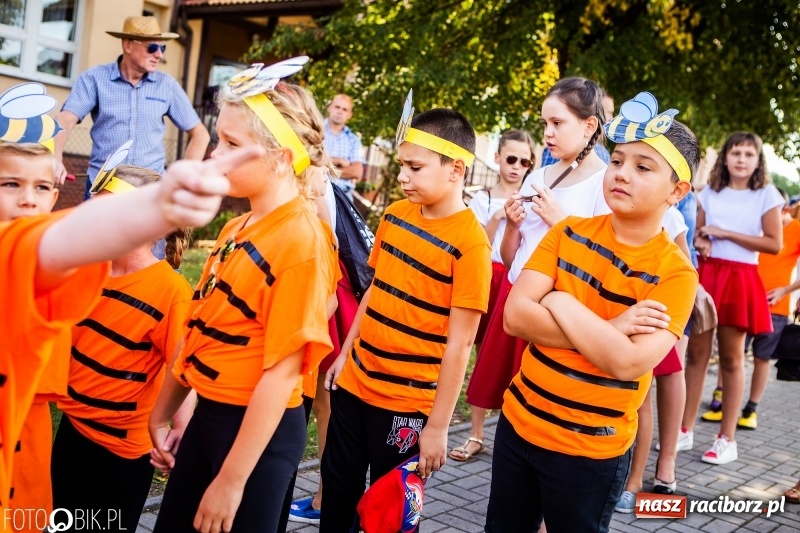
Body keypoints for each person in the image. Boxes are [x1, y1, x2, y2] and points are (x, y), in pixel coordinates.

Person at [0, 136, 260, 521]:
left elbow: (179, 362)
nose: (28, 199)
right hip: (69, 429)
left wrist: (179, 424)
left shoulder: (159, 287)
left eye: (41, 187)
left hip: (117, 448)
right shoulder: (74, 268)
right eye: (11, 184)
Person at [485, 91, 699, 533]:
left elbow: (626, 362)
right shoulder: (568, 233)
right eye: (617, 160)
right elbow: (515, 317)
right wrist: (609, 328)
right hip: (518, 425)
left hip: (591, 451)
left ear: (677, 191)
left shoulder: (675, 275)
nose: (621, 173)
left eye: (643, 167)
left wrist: (559, 301)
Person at [148, 60, 339, 533]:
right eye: (219, 139)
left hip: (258, 435)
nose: (215, 154)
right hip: (210, 418)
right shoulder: (237, 227)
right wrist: (163, 412)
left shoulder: (301, 242)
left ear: (279, 157)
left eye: (233, 144)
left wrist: (233, 480)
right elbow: (197, 326)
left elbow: (282, 376)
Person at [320, 93, 492, 532]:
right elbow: (374, 292)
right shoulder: (395, 216)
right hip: (355, 383)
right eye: (402, 165)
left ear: (456, 169)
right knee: (337, 491)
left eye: (415, 168)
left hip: (407, 404)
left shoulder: (471, 247)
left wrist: (436, 428)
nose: (402, 176)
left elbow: (460, 346)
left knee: (390, 513)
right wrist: (344, 355)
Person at [459, 77, 611, 463]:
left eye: (557, 124)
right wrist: (511, 225)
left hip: (557, 312)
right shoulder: (538, 177)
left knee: (546, 414)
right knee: (513, 409)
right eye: (545, 123)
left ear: (589, 126)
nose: (547, 133)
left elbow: (601, 268)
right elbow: (513, 260)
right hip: (517, 298)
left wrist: (562, 223)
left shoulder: (604, 184)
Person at [50, 165, 195, 532]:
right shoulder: (86, 271)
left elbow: (181, 372)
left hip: (121, 452)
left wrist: (179, 435)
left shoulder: (170, 292)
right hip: (71, 429)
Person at [682, 132, 783, 465]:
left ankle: (727, 439)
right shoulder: (709, 192)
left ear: (757, 161)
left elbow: (773, 244)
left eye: (748, 154)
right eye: (735, 152)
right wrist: (703, 241)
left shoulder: (766, 195)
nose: (741, 159)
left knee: (732, 359)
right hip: (709, 274)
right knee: (695, 356)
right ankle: (684, 430)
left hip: (740, 278)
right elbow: (696, 233)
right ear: (725, 157)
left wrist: (724, 234)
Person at [449, 129, 535, 462]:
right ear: (497, 158)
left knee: (505, 356)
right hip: (487, 275)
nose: (516, 167)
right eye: (511, 158)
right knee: (475, 353)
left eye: (524, 161)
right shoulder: (483, 197)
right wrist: (500, 216)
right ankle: (475, 433)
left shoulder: (534, 195)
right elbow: (478, 243)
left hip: (517, 279)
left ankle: (509, 434)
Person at [53, 16, 210, 197]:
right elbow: (65, 119)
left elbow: (200, 134)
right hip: (103, 189)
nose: (159, 54)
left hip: (150, 192)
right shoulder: (94, 79)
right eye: (152, 47)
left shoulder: (167, 86)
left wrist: (186, 178)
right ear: (128, 45)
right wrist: (55, 159)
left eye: (162, 47)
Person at [699, 188, 800, 431]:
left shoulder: (795, 230)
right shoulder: (749, 223)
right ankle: (720, 399)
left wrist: (785, 290)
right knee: (730, 353)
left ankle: (751, 409)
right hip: (743, 297)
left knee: (762, 357)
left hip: (775, 305)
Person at [539, 90, 615, 166]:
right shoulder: (556, 149)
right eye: (607, 112)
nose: (611, 118)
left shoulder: (603, 155)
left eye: (557, 123)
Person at [323, 94, 365, 201]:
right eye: (337, 107)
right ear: (330, 108)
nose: (340, 111)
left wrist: (324, 166)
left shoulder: (353, 140)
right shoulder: (316, 130)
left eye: (345, 109)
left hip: (343, 197)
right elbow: (309, 161)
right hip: (317, 194)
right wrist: (339, 161)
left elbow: (356, 172)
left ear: (349, 115)